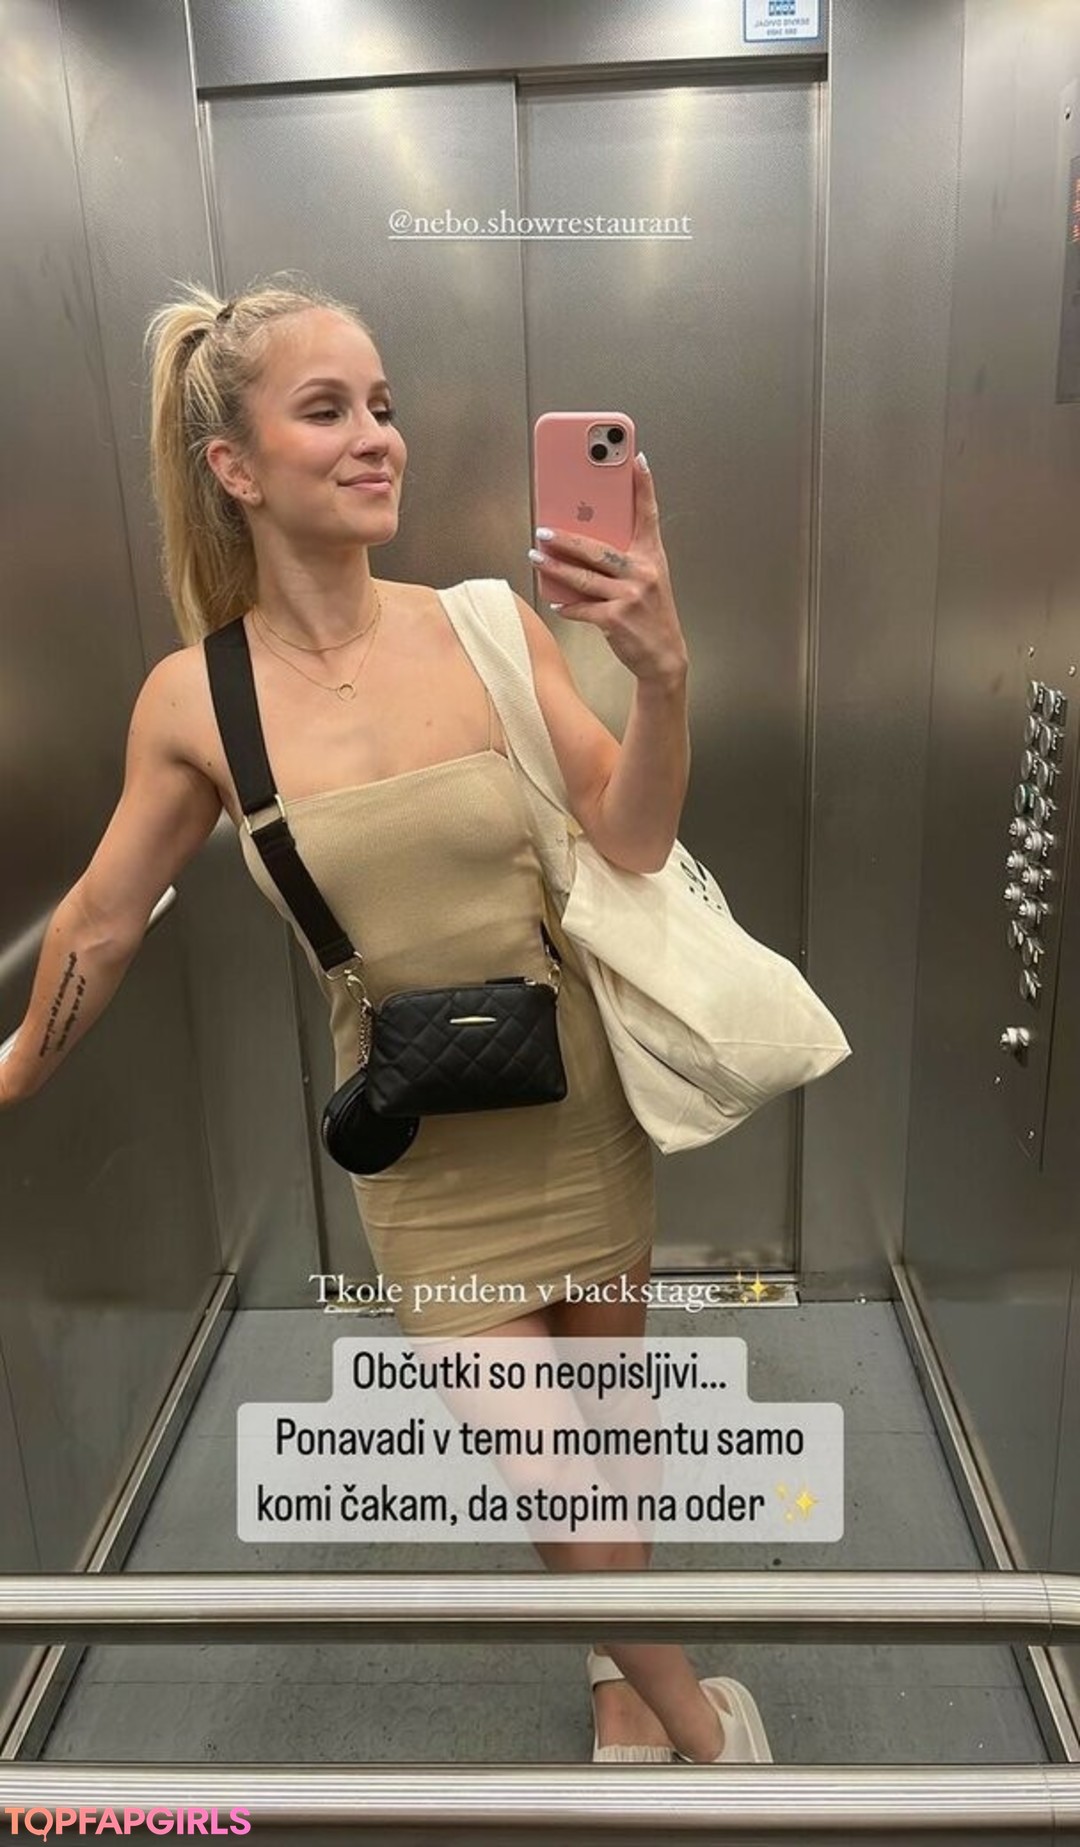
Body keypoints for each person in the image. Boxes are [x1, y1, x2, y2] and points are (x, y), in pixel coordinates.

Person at [0, 278, 770, 1766]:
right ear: (234, 466)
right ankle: (707, 1735)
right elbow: (99, 920)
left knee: (607, 1436)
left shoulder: (482, 627)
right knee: (548, 1468)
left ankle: (619, 1677)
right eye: (329, 410)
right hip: (421, 1149)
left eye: (384, 406)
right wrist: (18, 1069)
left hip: (579, 1102)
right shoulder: (197, 700)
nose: (377, 437)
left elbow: (628, 838)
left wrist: (663, 679)